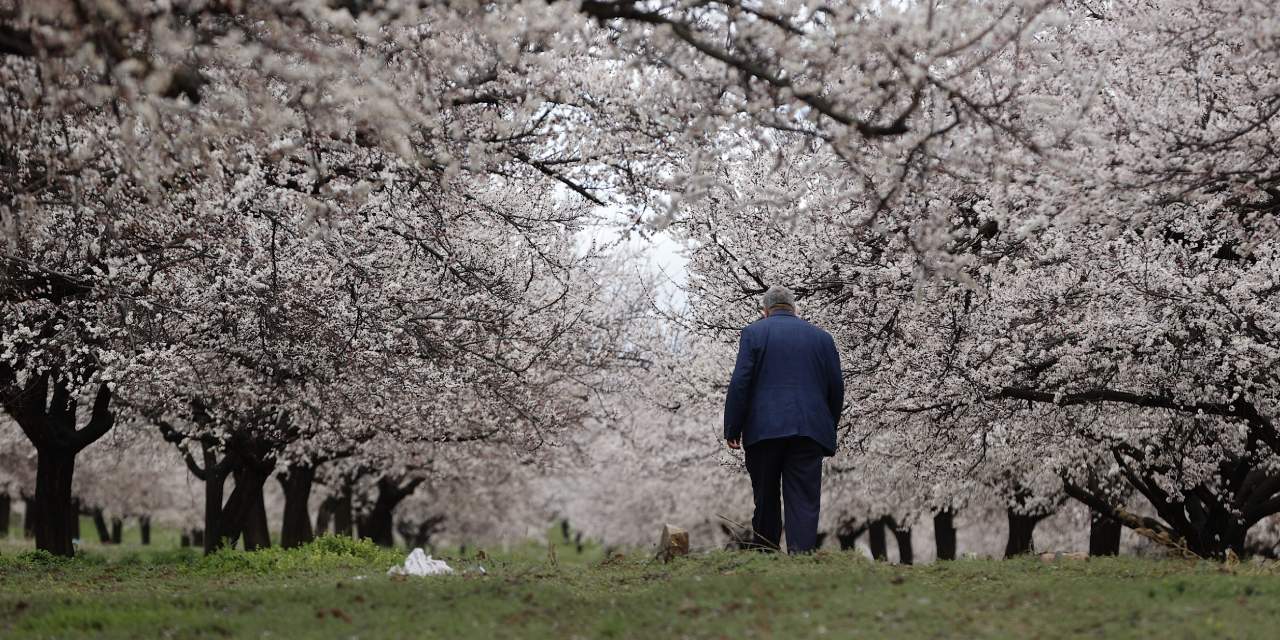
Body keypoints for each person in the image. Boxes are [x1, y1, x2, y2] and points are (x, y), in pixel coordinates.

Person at [723, 285, 843, 553]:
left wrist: (733, 426)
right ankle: (801, 554)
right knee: (803, 496)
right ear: (794, 309)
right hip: (808, 430)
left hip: (764, 429)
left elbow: (741, 381)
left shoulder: (754, 333)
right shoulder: (822, 338)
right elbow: (836, 387)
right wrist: (827, 425)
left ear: (765, 311)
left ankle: (766, 551)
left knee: (765, 494)